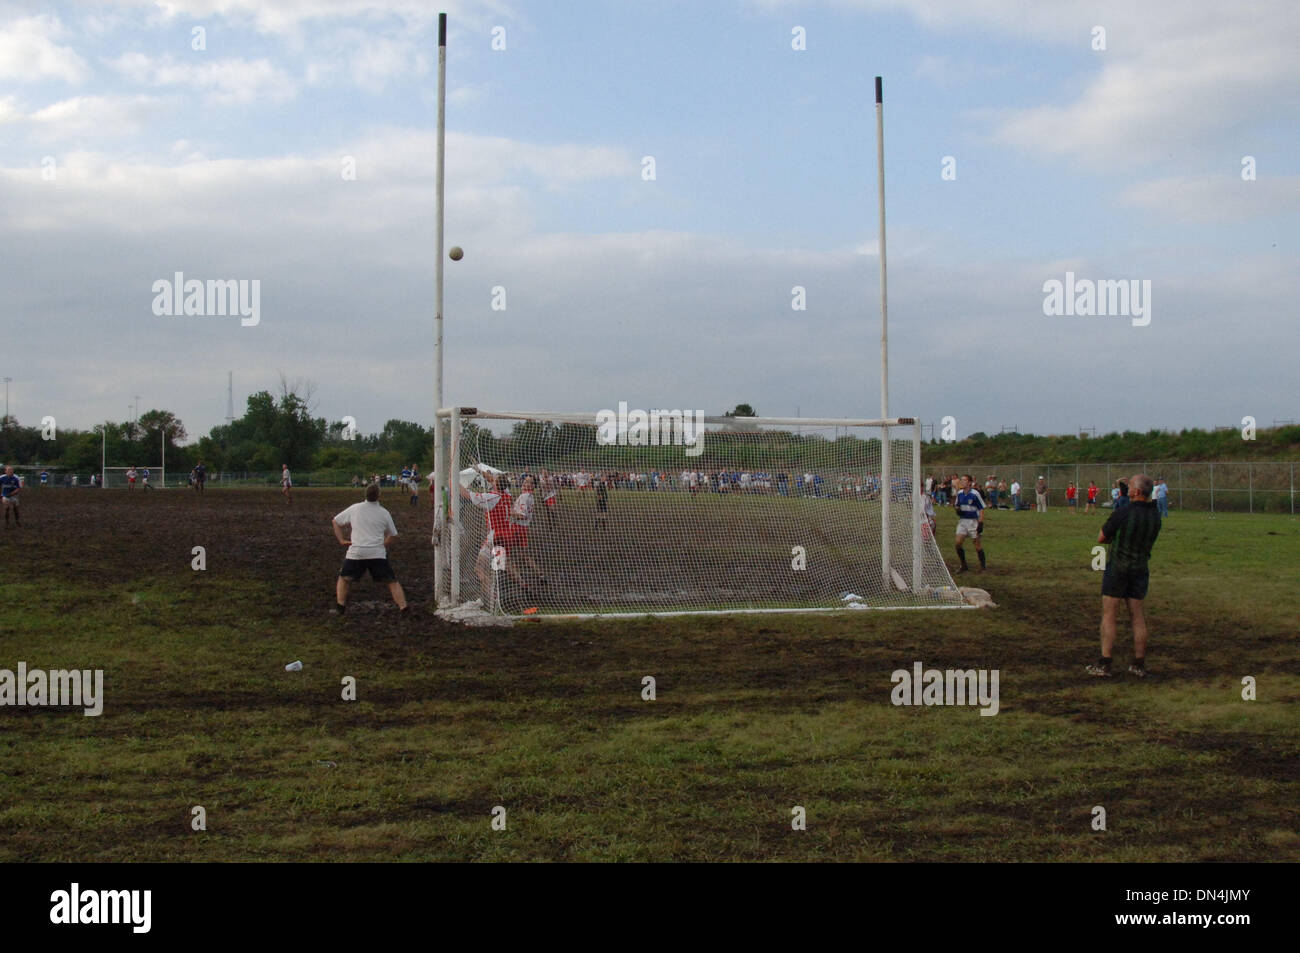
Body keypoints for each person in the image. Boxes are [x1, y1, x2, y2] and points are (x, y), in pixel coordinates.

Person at [1086, 474, 1161, 678]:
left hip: (1118, 567)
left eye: (1129, 486)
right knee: (1137, 616)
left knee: (1109, 614)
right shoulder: (1155, 515)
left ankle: (1105, 662)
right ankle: (1138, 663)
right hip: (1140, 568)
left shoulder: (1123, 512)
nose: (1126, 488)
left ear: (1136, 492)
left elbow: (1101, 537)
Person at [456, 463, 528, 609]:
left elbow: (466, 494)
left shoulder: (492, 497)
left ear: (495, 484)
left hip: (495, 537)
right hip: (507, 535)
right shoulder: (506, 493)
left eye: (493, 479)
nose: (491, 479)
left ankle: (491, 598)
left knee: (480, 568)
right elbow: (492, 479)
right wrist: (479, 470)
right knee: (503, 565)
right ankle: (523, 585)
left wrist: (453, 480)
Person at [331, 483, 408, 615]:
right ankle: (404, 608)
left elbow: (336, 521)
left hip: (357, 552)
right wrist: (382, 545)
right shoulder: (384, 512)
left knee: (344, 578)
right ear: (379, 495)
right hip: (377, 553)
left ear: (365, 495)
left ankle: (340, 607)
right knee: (392, 581)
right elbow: (393, 534)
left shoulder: (355, 508)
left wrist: (341, 540)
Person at [953, 474, 986, 573]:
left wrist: (980, 522)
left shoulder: (975, 494)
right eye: (961, 480)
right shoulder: (959, 494)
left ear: (969, 483)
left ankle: (983, 566)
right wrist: (957, 510)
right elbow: (956, 505)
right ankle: (963, 565)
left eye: (964, 480)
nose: (962, 482)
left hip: (973, 522)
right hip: (963, 521)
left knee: (977, 544)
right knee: (958, 543)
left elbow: (981, 508)